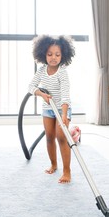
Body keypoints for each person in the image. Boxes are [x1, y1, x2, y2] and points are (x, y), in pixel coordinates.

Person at [28, 35, 75, 184]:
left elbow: (65, 95)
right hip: (48, 109)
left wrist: (65, 115)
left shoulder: (62, 72)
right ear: (43, 54)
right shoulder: (42, 71)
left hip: (62, 109)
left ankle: (67, 171)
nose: (53, 58)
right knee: (49, 137)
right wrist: (41, 94)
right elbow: (31, 87)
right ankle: (54, 165)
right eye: (50, 54)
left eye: (57, 54)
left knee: (62, 138)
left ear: (63, 55)